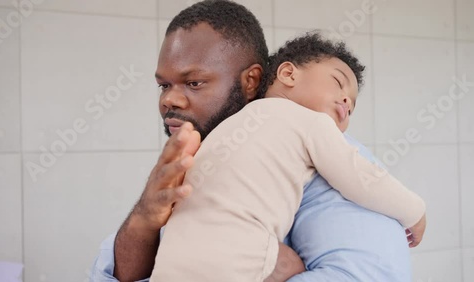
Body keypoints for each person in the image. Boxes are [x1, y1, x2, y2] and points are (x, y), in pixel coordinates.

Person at [90, 1, 421, 281]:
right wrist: (145, 217)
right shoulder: (188, 162)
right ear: (288, 74)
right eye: (164, 86)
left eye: (193, 82)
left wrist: (255, 261)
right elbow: (107, 274)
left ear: (252, 81)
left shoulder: (331, 163)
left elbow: (366, 273)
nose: (169, 101)